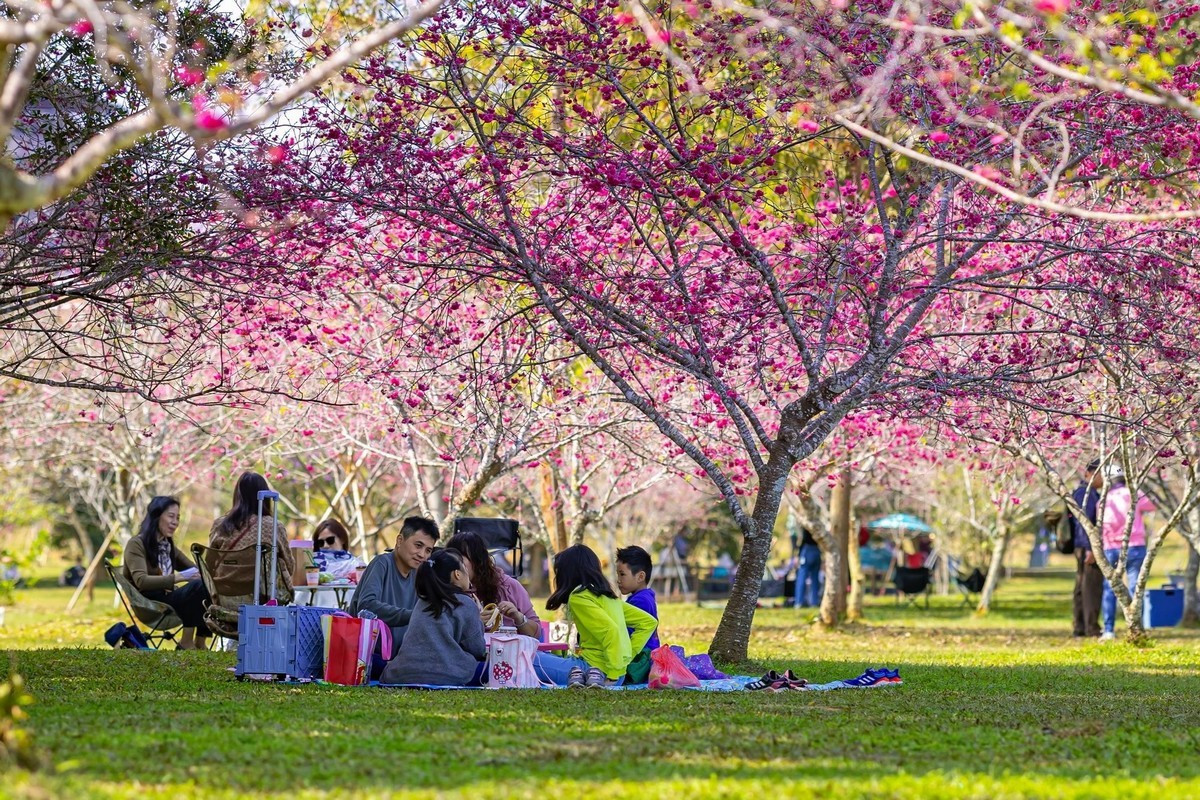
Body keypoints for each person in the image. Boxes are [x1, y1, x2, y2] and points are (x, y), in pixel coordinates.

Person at [532, 544, 657, 688]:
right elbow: (648, 623)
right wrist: (625, 659)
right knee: (541, 657)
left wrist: (613, 675)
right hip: (612, 670)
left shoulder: (579, 597)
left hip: (597, 671)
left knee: (527, 658)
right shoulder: (605, 596)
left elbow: (610, 631)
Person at [379, 548, 488, 686]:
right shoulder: (465, 602)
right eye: (464, 569)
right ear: (457, 574)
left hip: (404, 673)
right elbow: (477, 649)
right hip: (448, 674)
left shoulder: (422, 602)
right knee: (491, 669)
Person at [123, 496, 210, 650]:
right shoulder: (136, 544)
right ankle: (186, 642)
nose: (175, 522)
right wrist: (179, 577)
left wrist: (211, 573)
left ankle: (200, 641)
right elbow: (141, 581)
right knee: (197, 586)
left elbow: (195, 570)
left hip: (168, 597)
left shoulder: (167, 546)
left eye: (177, 518)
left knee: (207, 584)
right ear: (156, 516)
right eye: (171, 516)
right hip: (149, 602)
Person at [348, 516, 438, 647]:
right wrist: (412, 616)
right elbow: (367, 606)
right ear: (400, 540)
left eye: (428, 550)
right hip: (367, 655)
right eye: (418, 545)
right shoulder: (382, 563)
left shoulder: (418, 575)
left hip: (399, 659)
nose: (422, 555)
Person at [209, 471, 294, 604]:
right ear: (265, 496)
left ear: (237, 496)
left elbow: (209, 563)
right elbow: (289, 566)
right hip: (262, 601)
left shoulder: (220, 525)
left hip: (224, 599)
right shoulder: (273, 526)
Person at [445, 530, 540, 639]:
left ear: (478, 560)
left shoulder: (509, 586)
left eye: (460, 558)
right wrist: (474, 625)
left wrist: (518, 617)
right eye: (451, 559)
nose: (455, 564)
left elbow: (535, 635)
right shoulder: (446, 591)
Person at [1099, 466, 1155, 641]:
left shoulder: (1103, 499)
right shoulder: (1134, 493)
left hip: (1110, 547)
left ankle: (1109, 629)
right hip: (1135, 545)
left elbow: (1099, 522)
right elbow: (1152, 505)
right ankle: (1138, 627)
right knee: (1136, 588)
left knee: (1110, 589)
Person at [615, 545, 660, 683]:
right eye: (618, 574)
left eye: (622, 574)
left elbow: (628, 635)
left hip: (641, 660)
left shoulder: (641, 601)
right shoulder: (643, 596)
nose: (618, 579)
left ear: (640, 576)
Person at [1068, 459, 1103, 638]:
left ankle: (1080, 627)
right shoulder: (1086, 493)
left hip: (1082, 546)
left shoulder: (1085, 492)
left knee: (1083, 586)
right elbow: (1085, 523)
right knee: (1091, 587)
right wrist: (1091, 549)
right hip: (1086, 546)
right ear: (1089, 473)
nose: (1105, 478)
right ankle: (1091, 628)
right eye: (1101, 474)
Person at [794, 527, 822, 608]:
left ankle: (799, 602)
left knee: (801, 578)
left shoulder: (806, 524)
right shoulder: (818, 526)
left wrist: (798, 554)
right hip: (817, 551)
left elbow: (802, 539)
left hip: (807, 550)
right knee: (815, 579)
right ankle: (814, 602)